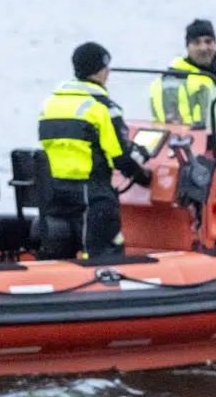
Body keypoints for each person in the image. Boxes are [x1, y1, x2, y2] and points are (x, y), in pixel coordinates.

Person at [38, 41, 153, 261]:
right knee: (109, 248)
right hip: (92, 196)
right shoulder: (102, 109)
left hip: (55, 192)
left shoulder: (50, 104)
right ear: (101, 71)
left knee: (63, 252)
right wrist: (143, 175)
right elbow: (120, 158)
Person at [151, 19, 216, 149]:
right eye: (196, 43)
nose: (203, 48)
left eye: (208, 41)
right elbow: (175, 132)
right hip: (187, 158)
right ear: (188, 47)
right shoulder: (173, 81)